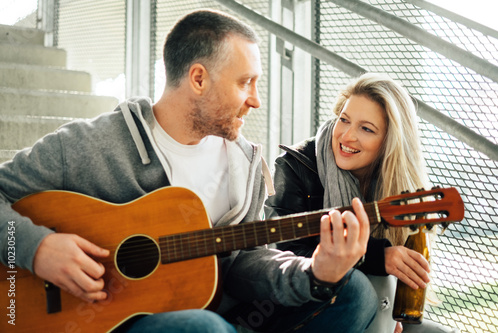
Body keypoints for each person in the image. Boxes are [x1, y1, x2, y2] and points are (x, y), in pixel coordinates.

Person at [0, 9, 377, 333]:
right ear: (199, 79)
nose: (256, 100)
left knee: (354, 292)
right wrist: (37, 249)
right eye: (245, 82)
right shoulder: (90, 145)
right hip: (113, 319)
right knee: (203, 327)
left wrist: (314, 273)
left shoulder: (242, 164)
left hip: (217, 313)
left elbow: (245, 263)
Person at [265, 73, 459, 333]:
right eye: (344, 120)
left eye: (366, 129)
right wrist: (376, 256)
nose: (347, 136)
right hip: (306, 309)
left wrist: (392, 311)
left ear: (390, 142)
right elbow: (285, 255)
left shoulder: (394, 184)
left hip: (377, 304)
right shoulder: (295, 166)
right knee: (359, 287)